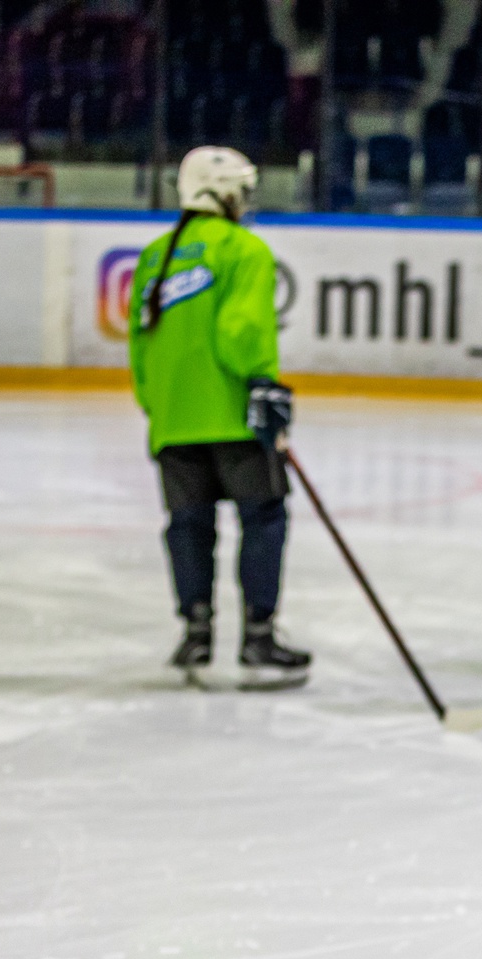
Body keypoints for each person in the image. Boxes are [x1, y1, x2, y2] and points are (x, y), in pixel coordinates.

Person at [128, 145, 309, 687]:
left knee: (188, 526)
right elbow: (241, 330)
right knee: (264, 516)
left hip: (174, 419)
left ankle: (196, 633)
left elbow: (140, 346)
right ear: (224, 191)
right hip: (233, 416)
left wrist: (157, 405)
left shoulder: (155, 256)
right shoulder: (244, 250)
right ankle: (257, 639)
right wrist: (262, 382)